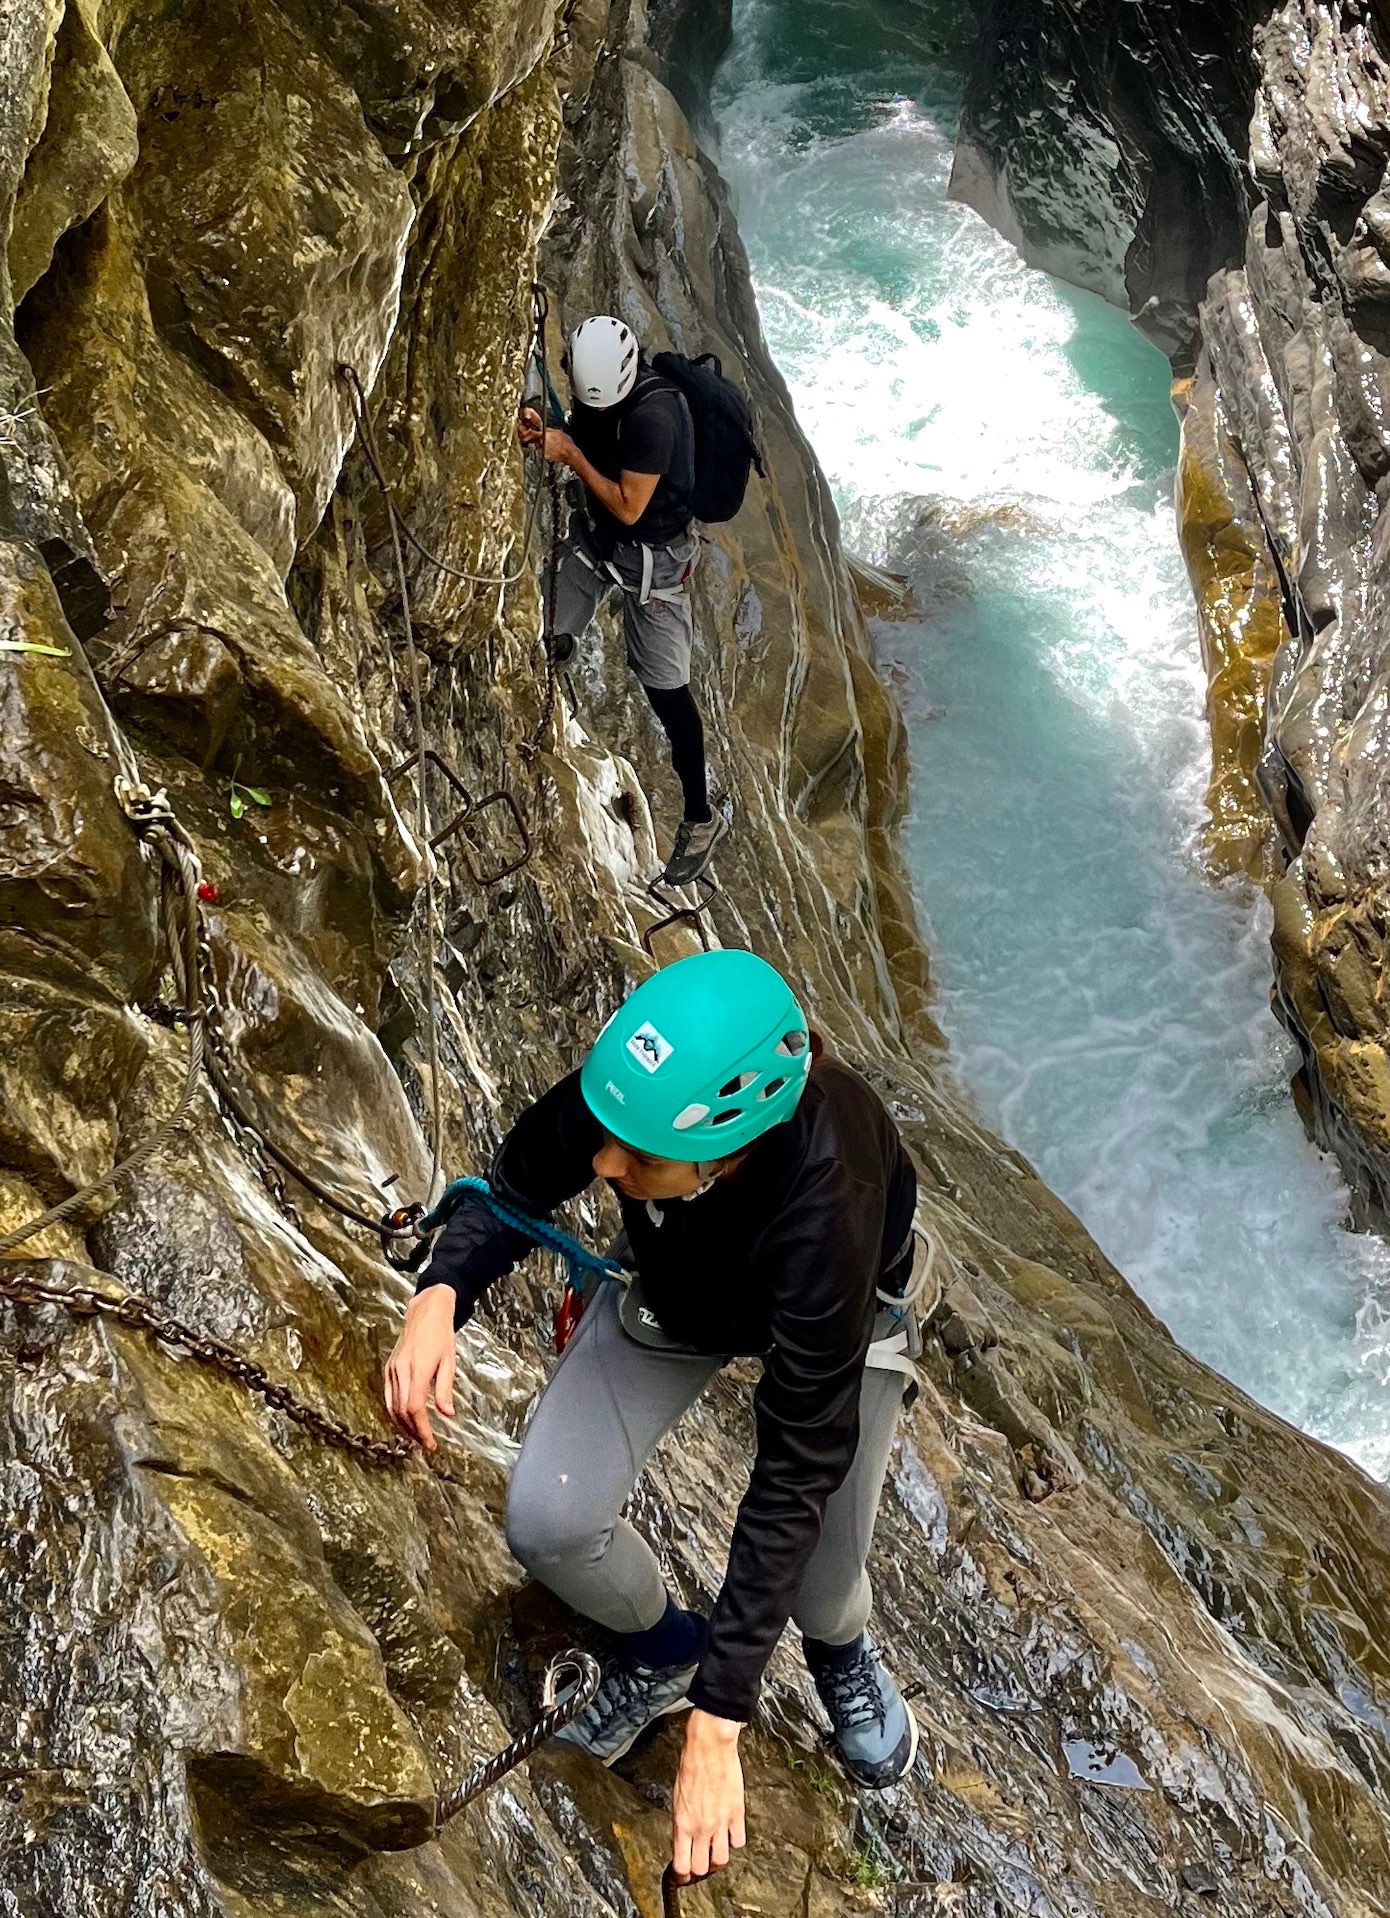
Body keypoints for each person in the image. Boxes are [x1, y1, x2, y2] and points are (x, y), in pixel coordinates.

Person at [383, 947, 927, 1878]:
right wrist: (441, 1291)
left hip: (843, 1316)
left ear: (726, 1152)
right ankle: (667, 1648)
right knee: (548, 1522)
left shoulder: (830, 1205)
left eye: (637, 1157)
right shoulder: (643, 1095)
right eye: (609, 1137)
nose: (604, 1163)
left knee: (817, 1587)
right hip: (684, 1294)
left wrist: (721, 1723)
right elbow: (521, 1183)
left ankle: (840, 1647)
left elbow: (795, 1466)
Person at [518, 314, 727, 886]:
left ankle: (700, 819)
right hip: (599, 540)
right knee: (544, 633)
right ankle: (546, 690)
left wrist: (570, 454)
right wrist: (549, 431)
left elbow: (631, 506)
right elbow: (588, 436)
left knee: (668, 693)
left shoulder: (655, 419)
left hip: (654, 562)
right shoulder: (596, 378)